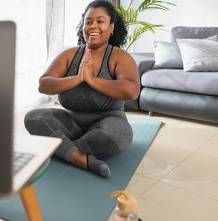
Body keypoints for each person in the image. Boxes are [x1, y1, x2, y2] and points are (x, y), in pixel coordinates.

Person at [24, 0, 140, 178]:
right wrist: (77, 78)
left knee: (117, 135)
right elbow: (44, 85)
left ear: (111, 27)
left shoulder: (119, 57)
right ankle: (78, 157)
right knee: (34, 117)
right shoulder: (69, 55)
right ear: (83, 26)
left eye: (100, 21)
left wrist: (92, 80)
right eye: (88, 21)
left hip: (108, 121)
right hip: (71, 122)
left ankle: (62, 149)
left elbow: (131, 90)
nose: (93, 26)